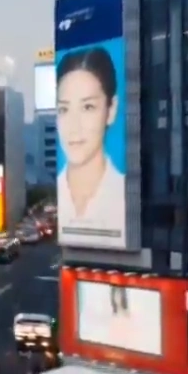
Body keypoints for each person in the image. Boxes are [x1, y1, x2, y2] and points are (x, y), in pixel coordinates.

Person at [56, 47, 124, 238]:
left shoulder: (125, 196)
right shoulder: (59, 196)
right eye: (64, 109)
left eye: (88, 107)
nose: (73, 126)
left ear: (111, 110)